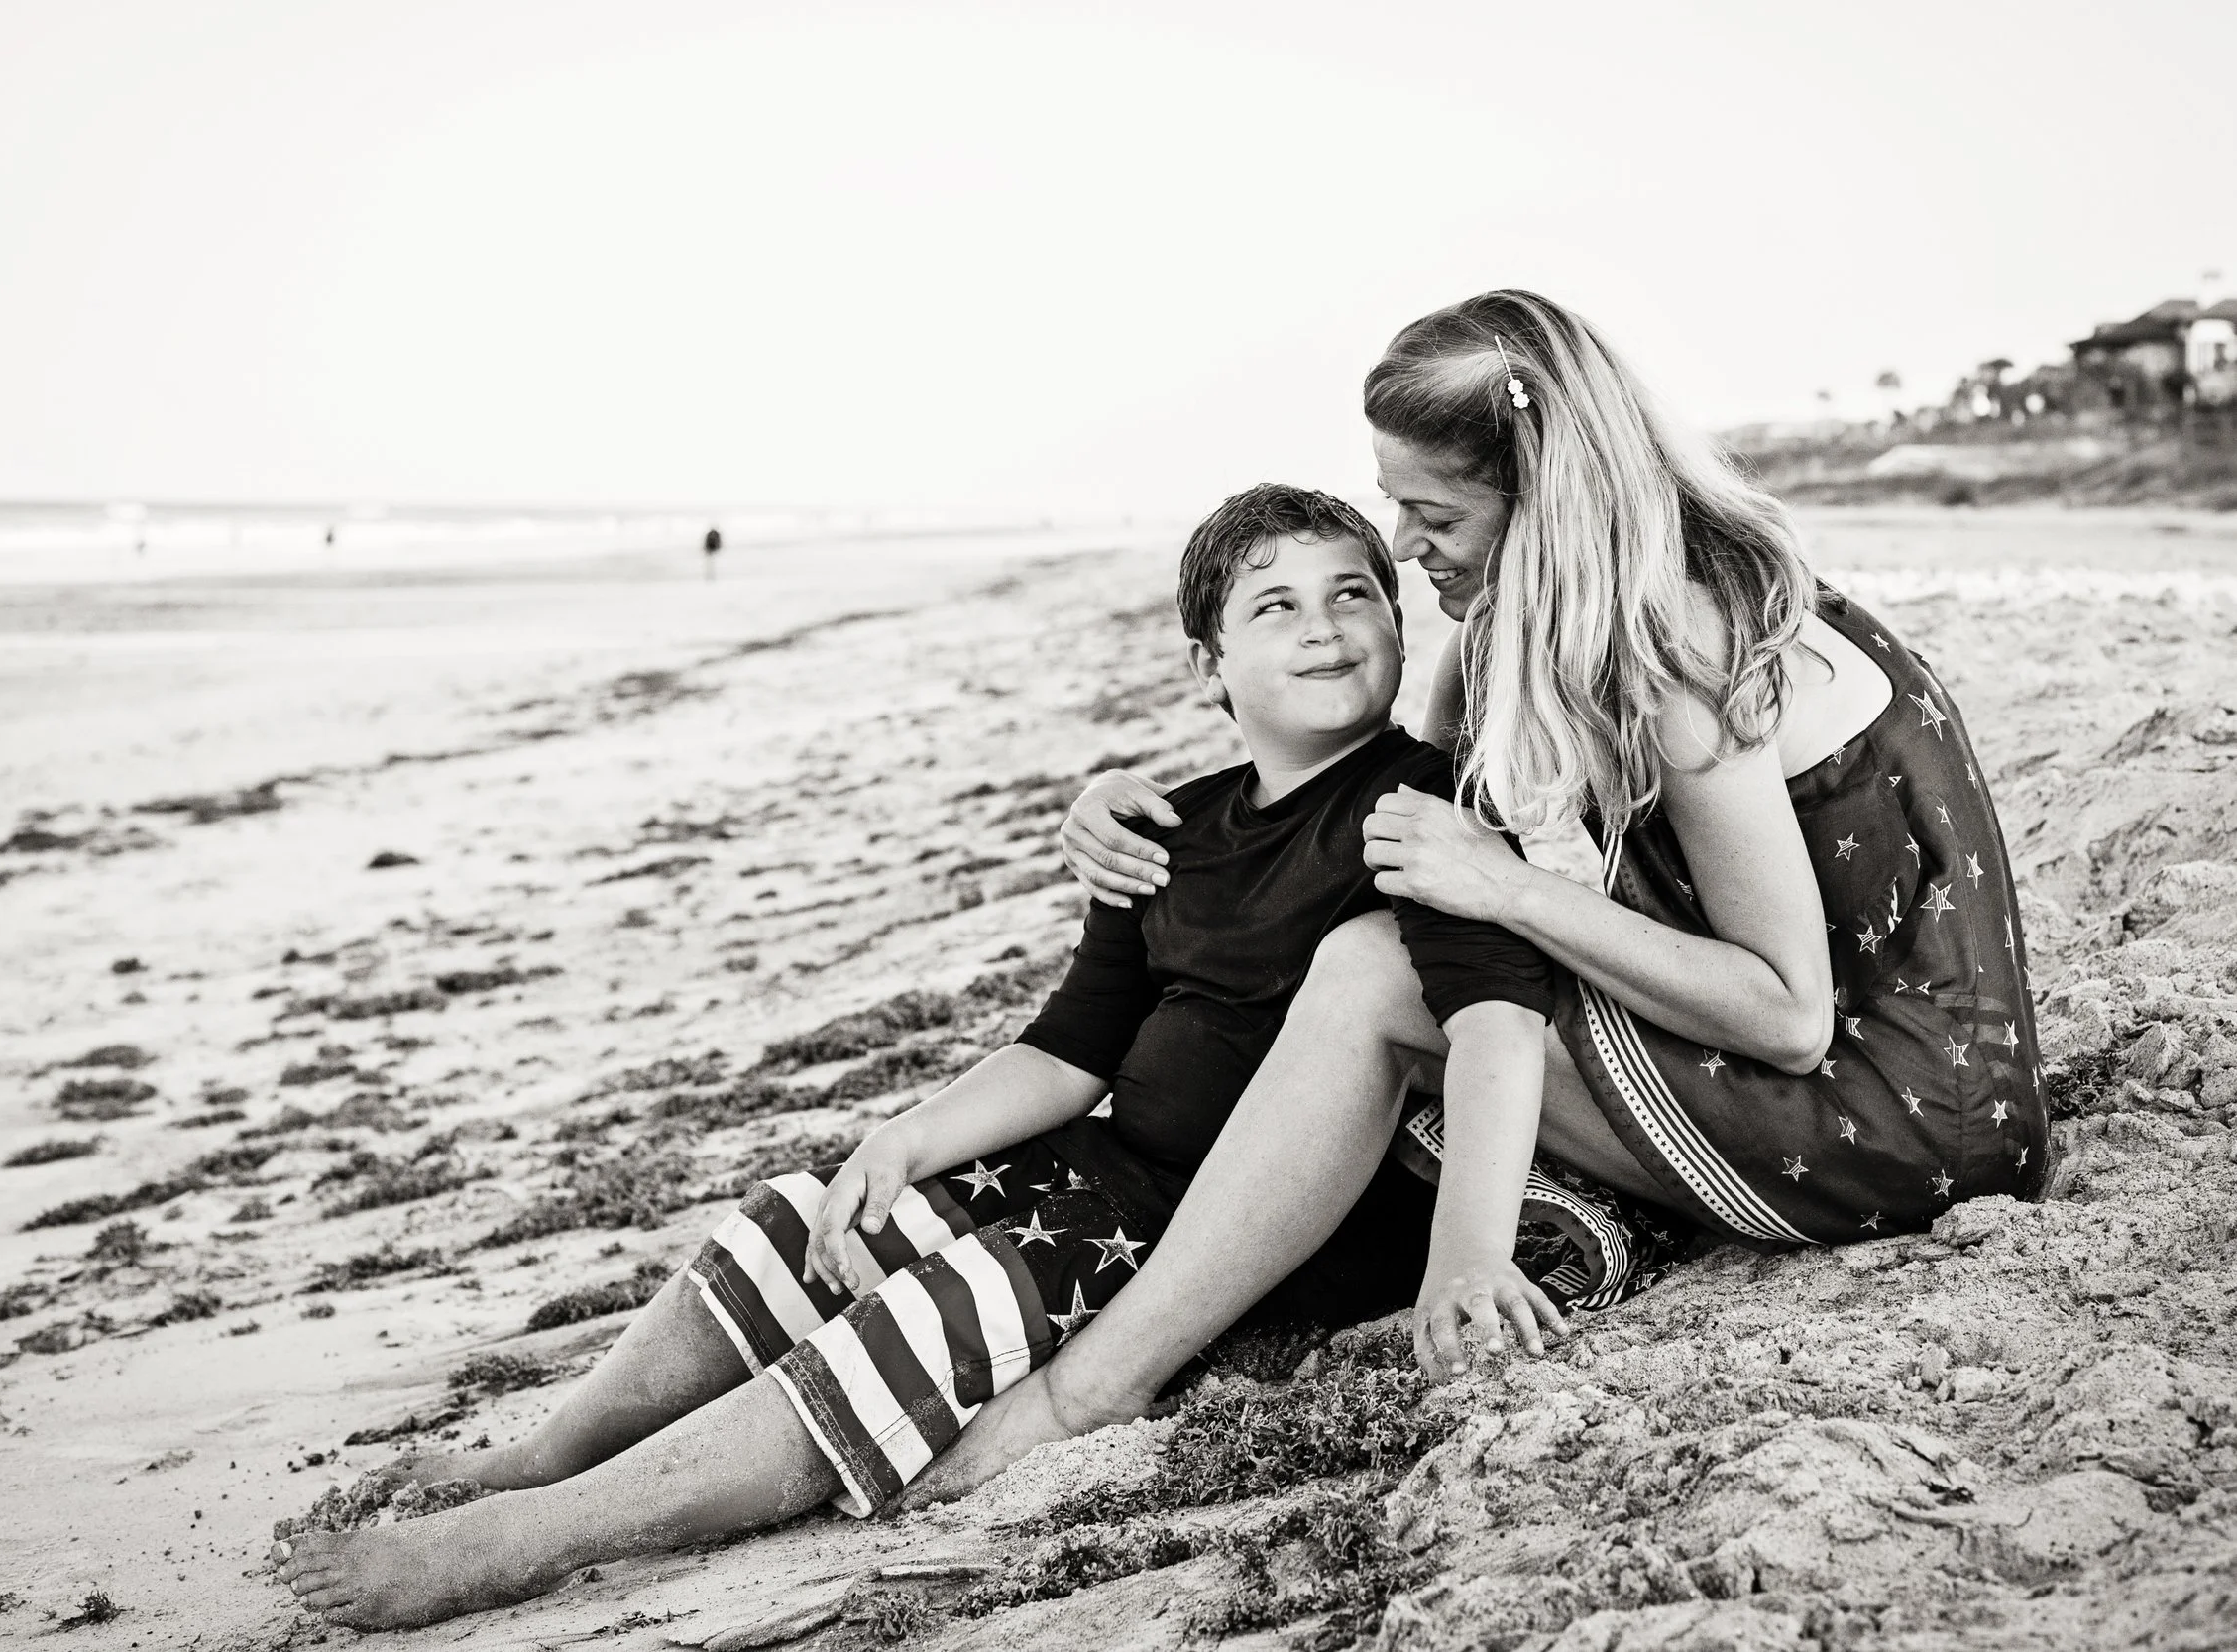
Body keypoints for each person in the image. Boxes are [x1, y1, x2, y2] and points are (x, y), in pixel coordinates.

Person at [270, 483, 1570, 1629]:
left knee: (927, 1317)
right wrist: (905, 1139)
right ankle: (558, 1447)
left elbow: (1477, 1017)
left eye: (1356, 591)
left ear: (1403, 625)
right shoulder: (1165, 826)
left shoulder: (1420, 806)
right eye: (1275, 605)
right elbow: (1070, 1048)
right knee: (788, 1221)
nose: (1327, 623)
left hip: (1231, 1222)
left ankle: (533, 1540)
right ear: (1206, 665)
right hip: (1093, 1166)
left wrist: (1473, 1241)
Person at [899, 288, 2046, 1502]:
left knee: (1376, 973)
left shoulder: (1675, 639)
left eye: (1431, 510)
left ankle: (1095, 1384)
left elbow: (1786, 1014)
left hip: (1903, 1115)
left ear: (1542, 500)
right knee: (1389, 960)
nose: (1398, 542)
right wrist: (1142, 811)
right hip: (1810, 1067)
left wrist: (1505, 887)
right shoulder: (1545, 605)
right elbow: (1372, 794)